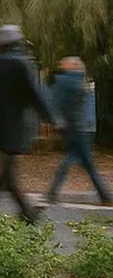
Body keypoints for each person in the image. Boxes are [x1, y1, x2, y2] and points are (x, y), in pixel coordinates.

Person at [0, 24, 54, 226]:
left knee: (7, 172)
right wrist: (52, 118)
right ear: (17, 43)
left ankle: (23, 212)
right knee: (7, 171)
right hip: (15, 125)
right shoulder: (20, 64)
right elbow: (34, 94)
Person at [46, 56, 110, 205]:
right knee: (86, 162)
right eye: (77, 64)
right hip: (77, 127)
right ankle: (104, 195)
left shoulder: (65, 82)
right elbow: (66, 104)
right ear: (72, 67)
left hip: (72, 127)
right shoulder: (72, 82)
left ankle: (52, 192)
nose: (81, 66)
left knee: (73, 159)